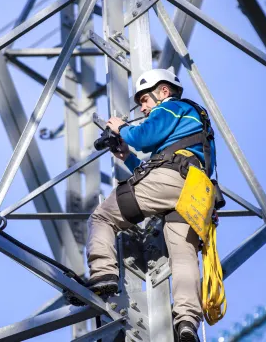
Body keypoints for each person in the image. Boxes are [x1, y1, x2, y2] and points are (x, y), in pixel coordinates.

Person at [84, 68, 216, 342]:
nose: (143, 107)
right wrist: (128, 158)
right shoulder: (192, 122)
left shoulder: (172, 108)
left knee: (102, 218)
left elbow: (145, 137)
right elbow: (158, 162)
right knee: (184, 257)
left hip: (171, 180)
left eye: (145, 99)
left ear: (164, 91)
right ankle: (187, 324)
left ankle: (103, 274)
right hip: (195, 191)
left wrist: (120, 127)